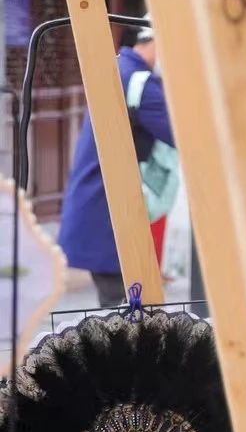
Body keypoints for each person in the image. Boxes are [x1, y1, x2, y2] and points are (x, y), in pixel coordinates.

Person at [58, 28, 177, 308]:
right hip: (108, 211)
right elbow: (182, 133)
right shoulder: (139, 81)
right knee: (124, 309)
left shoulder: (119, 68)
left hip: (96, 203)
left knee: (117, 307)